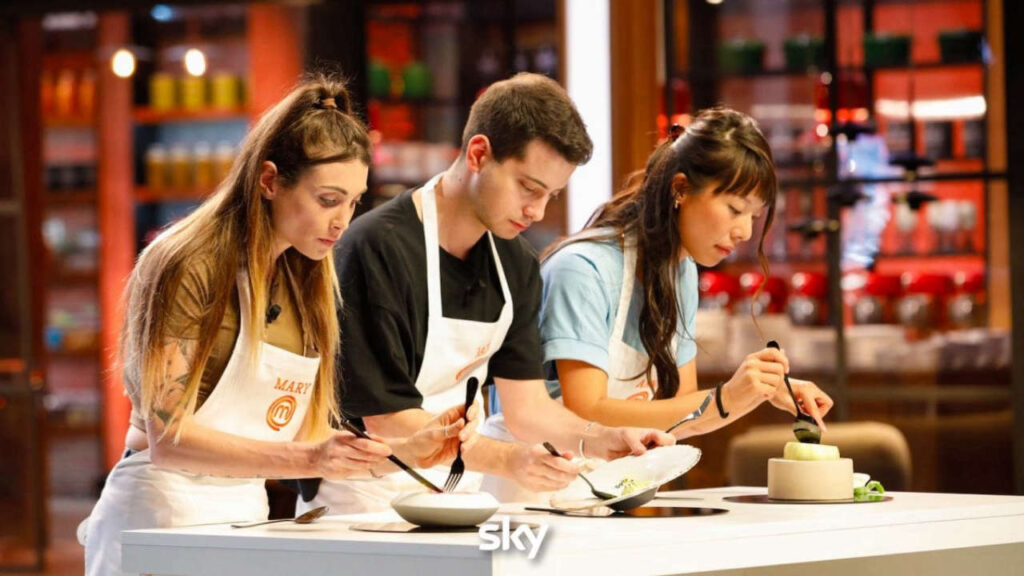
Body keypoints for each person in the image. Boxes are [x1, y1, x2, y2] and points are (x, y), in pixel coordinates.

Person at [82, 75, 473, 576]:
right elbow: (169, 439)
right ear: (269, 181)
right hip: (159, 516)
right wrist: (311, 459)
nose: (342, 221)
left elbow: (307, 435)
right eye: (327, 200)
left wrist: (403, 452)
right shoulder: (188, 263)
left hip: (245, 518)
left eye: (353, 202)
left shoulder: (307, 279)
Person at [299, 73, 675, 515]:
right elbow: (388, 420)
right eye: (528, 188)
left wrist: (602, 439)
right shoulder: (375, 248)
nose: (537, 211)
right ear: (479, 154)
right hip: (361, 503)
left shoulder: (515, 264)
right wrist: (509, 460)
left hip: (461, 498)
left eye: (551, 196)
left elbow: (528, 408)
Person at [484, 108, 832, 478]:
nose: (745, 231)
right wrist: (726, 398)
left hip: (605, 487)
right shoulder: (584, 270)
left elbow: (681, 413)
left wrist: (760, 391)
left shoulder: (680, 271)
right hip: (530, 486)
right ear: (680, 189)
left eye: (754, 216)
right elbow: (587, 411)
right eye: (734, 209)